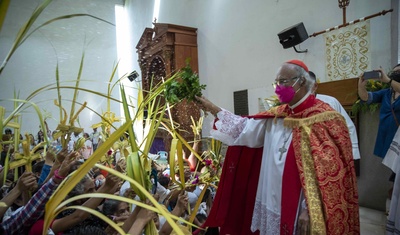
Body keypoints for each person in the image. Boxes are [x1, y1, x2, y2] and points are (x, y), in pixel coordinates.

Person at [196, 60, 359, 234]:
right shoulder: (277, 115)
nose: (277, 87)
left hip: (299, 204)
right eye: (276, 83)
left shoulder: (324, 118)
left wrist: (309, 208)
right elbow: (243, 128)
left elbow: (329, 173)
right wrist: (212, 108)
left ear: (301, 82)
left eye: (283, 82)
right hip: (270, 197)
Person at [310, 71, 361, 160]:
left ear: (314, 86)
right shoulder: (292, 107)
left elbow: (347, 126)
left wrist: (353, 152)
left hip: (328, 155)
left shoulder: (330, 102)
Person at [358, 65, 400, 160]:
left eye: (399, 71)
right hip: (387, 136)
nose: (396, 74)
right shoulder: (387, 93)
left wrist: (388, 81)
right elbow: (366, 97)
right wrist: (361, 86)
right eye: (395, 72)